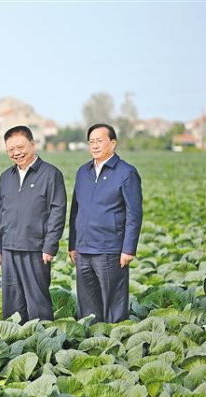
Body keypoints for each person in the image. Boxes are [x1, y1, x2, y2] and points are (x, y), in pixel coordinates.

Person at [69, 123, 143, 323]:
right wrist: (73, 245)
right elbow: (76, 210)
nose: (94, 146)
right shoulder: (82, 172)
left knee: (114, 303)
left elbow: (134, 213)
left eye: (99, 141)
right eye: (91, 142)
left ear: (113, 143)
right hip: (83, 249)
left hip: (110, 249)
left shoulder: (126, 172)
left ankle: (116, 340)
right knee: (88, 304)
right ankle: (92, 341)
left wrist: (128, 249)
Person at [0, 125, 67, 323]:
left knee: (37, 301)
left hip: (36, 248)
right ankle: (15, 343)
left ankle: (42, 340)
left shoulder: (51, 174)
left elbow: (57, 212)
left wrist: (50, 245)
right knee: (11, 301)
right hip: (9, 248)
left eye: (20, 147)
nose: (16, 153)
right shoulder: (5, 177)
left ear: (33, 144)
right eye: (11, 150)